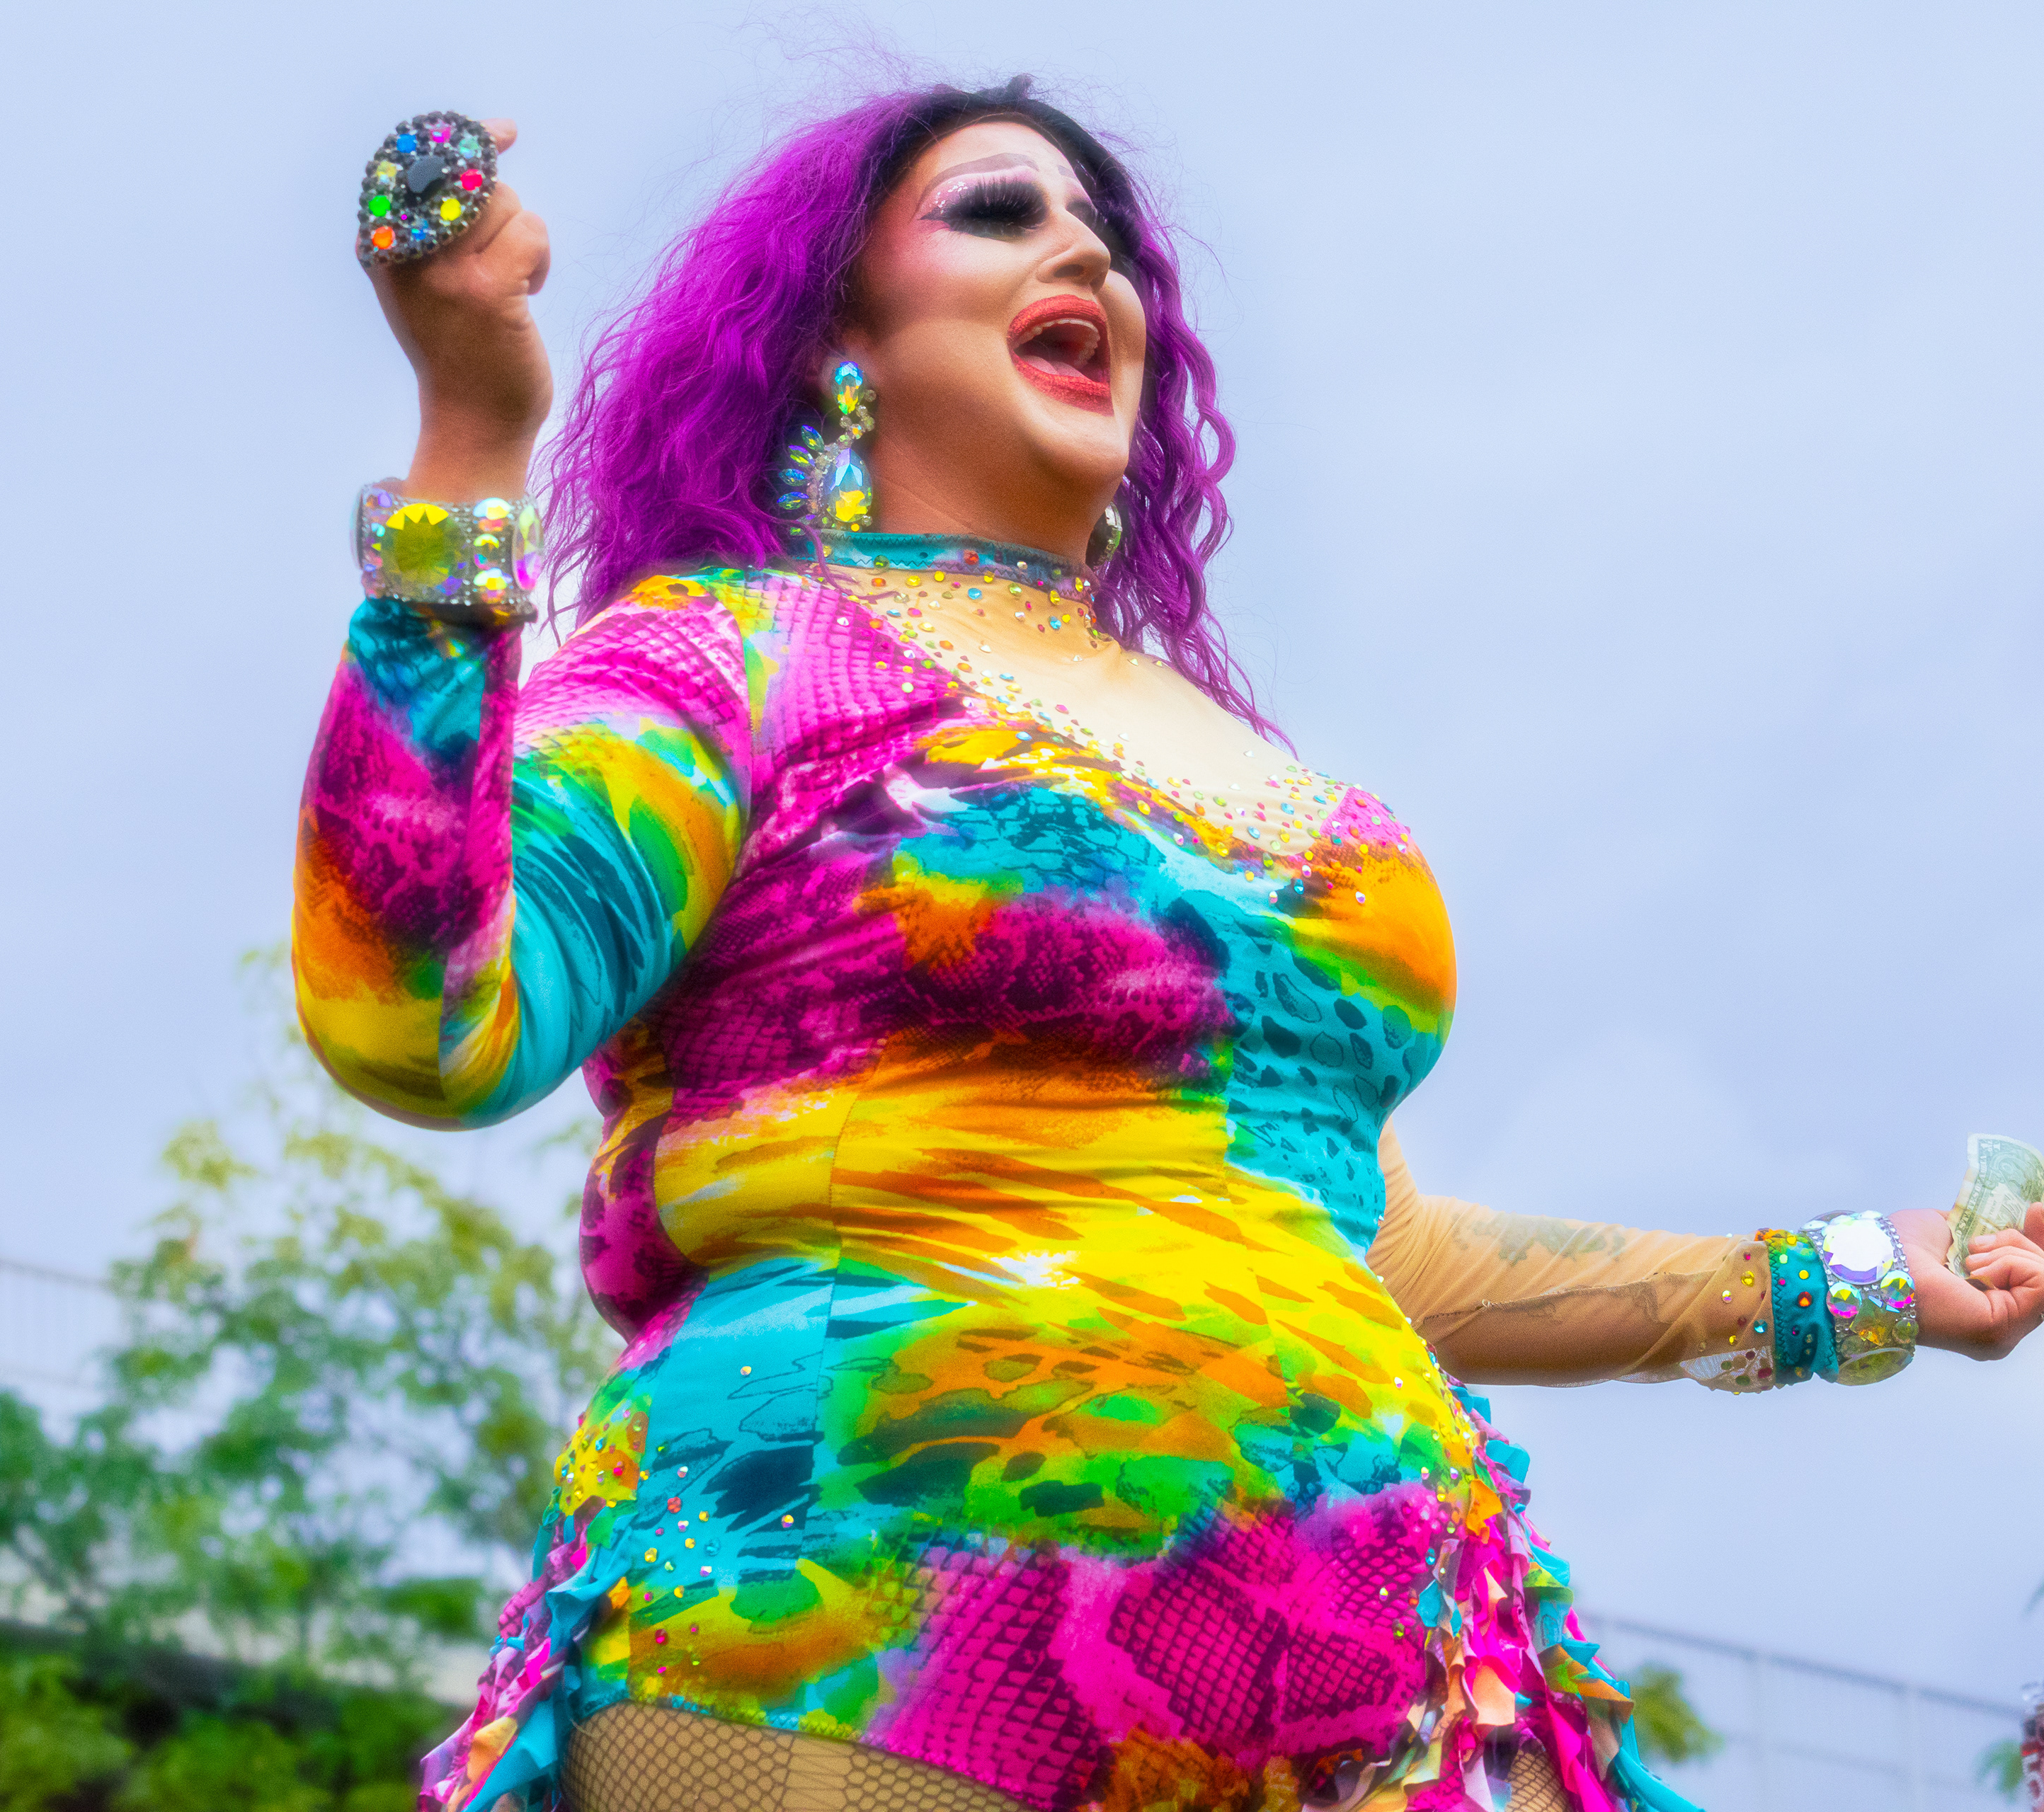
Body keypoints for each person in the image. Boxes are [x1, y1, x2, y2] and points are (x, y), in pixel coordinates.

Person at [291, 80, 2044, 1812]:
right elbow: (416, 1021)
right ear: (845, 331)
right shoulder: (733, 656)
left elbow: (1375, 1243)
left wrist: (1843, 1279)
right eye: (1000, 210)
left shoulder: (1271, 780)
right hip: (848, 1625)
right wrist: (468, 439)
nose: (1088, 255)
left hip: (1379, 1676)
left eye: (1112, 238)